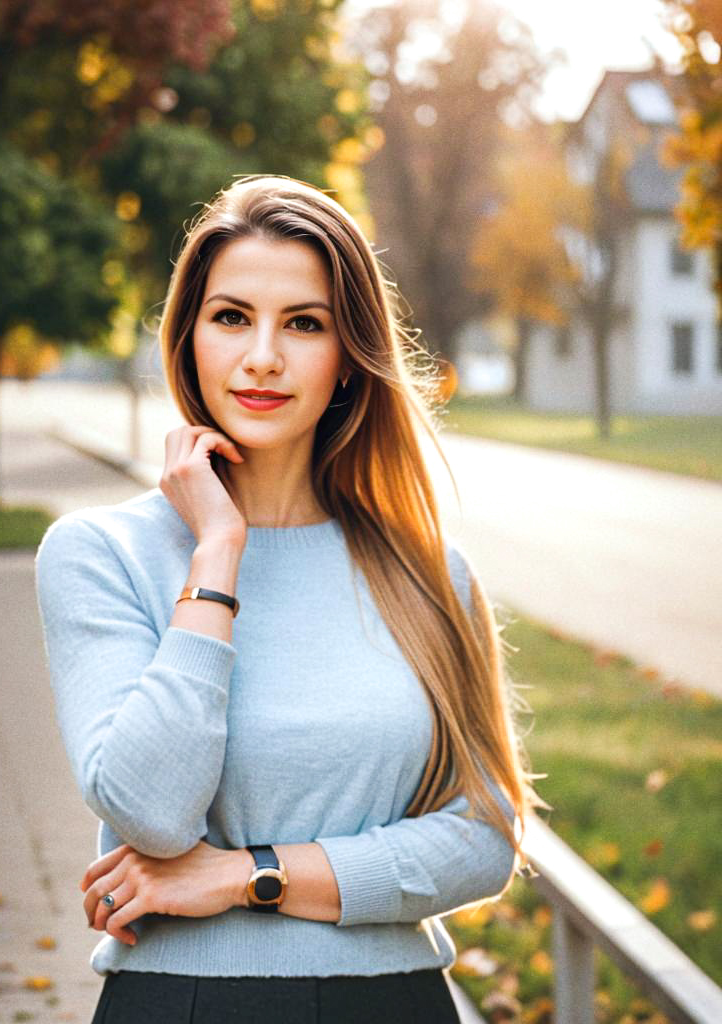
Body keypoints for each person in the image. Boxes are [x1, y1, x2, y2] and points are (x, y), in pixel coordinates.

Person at [35, 174, 543, 1024]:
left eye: (303, 324)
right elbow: (153, 813)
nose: (262, 355)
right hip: (182, 1002)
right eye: (232, 316)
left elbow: (484, 842)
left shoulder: (428, 573)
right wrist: (219, 550)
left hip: (396, 1004)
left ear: (348, 357)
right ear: (188, 336)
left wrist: (244, 873)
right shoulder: (100, 555)